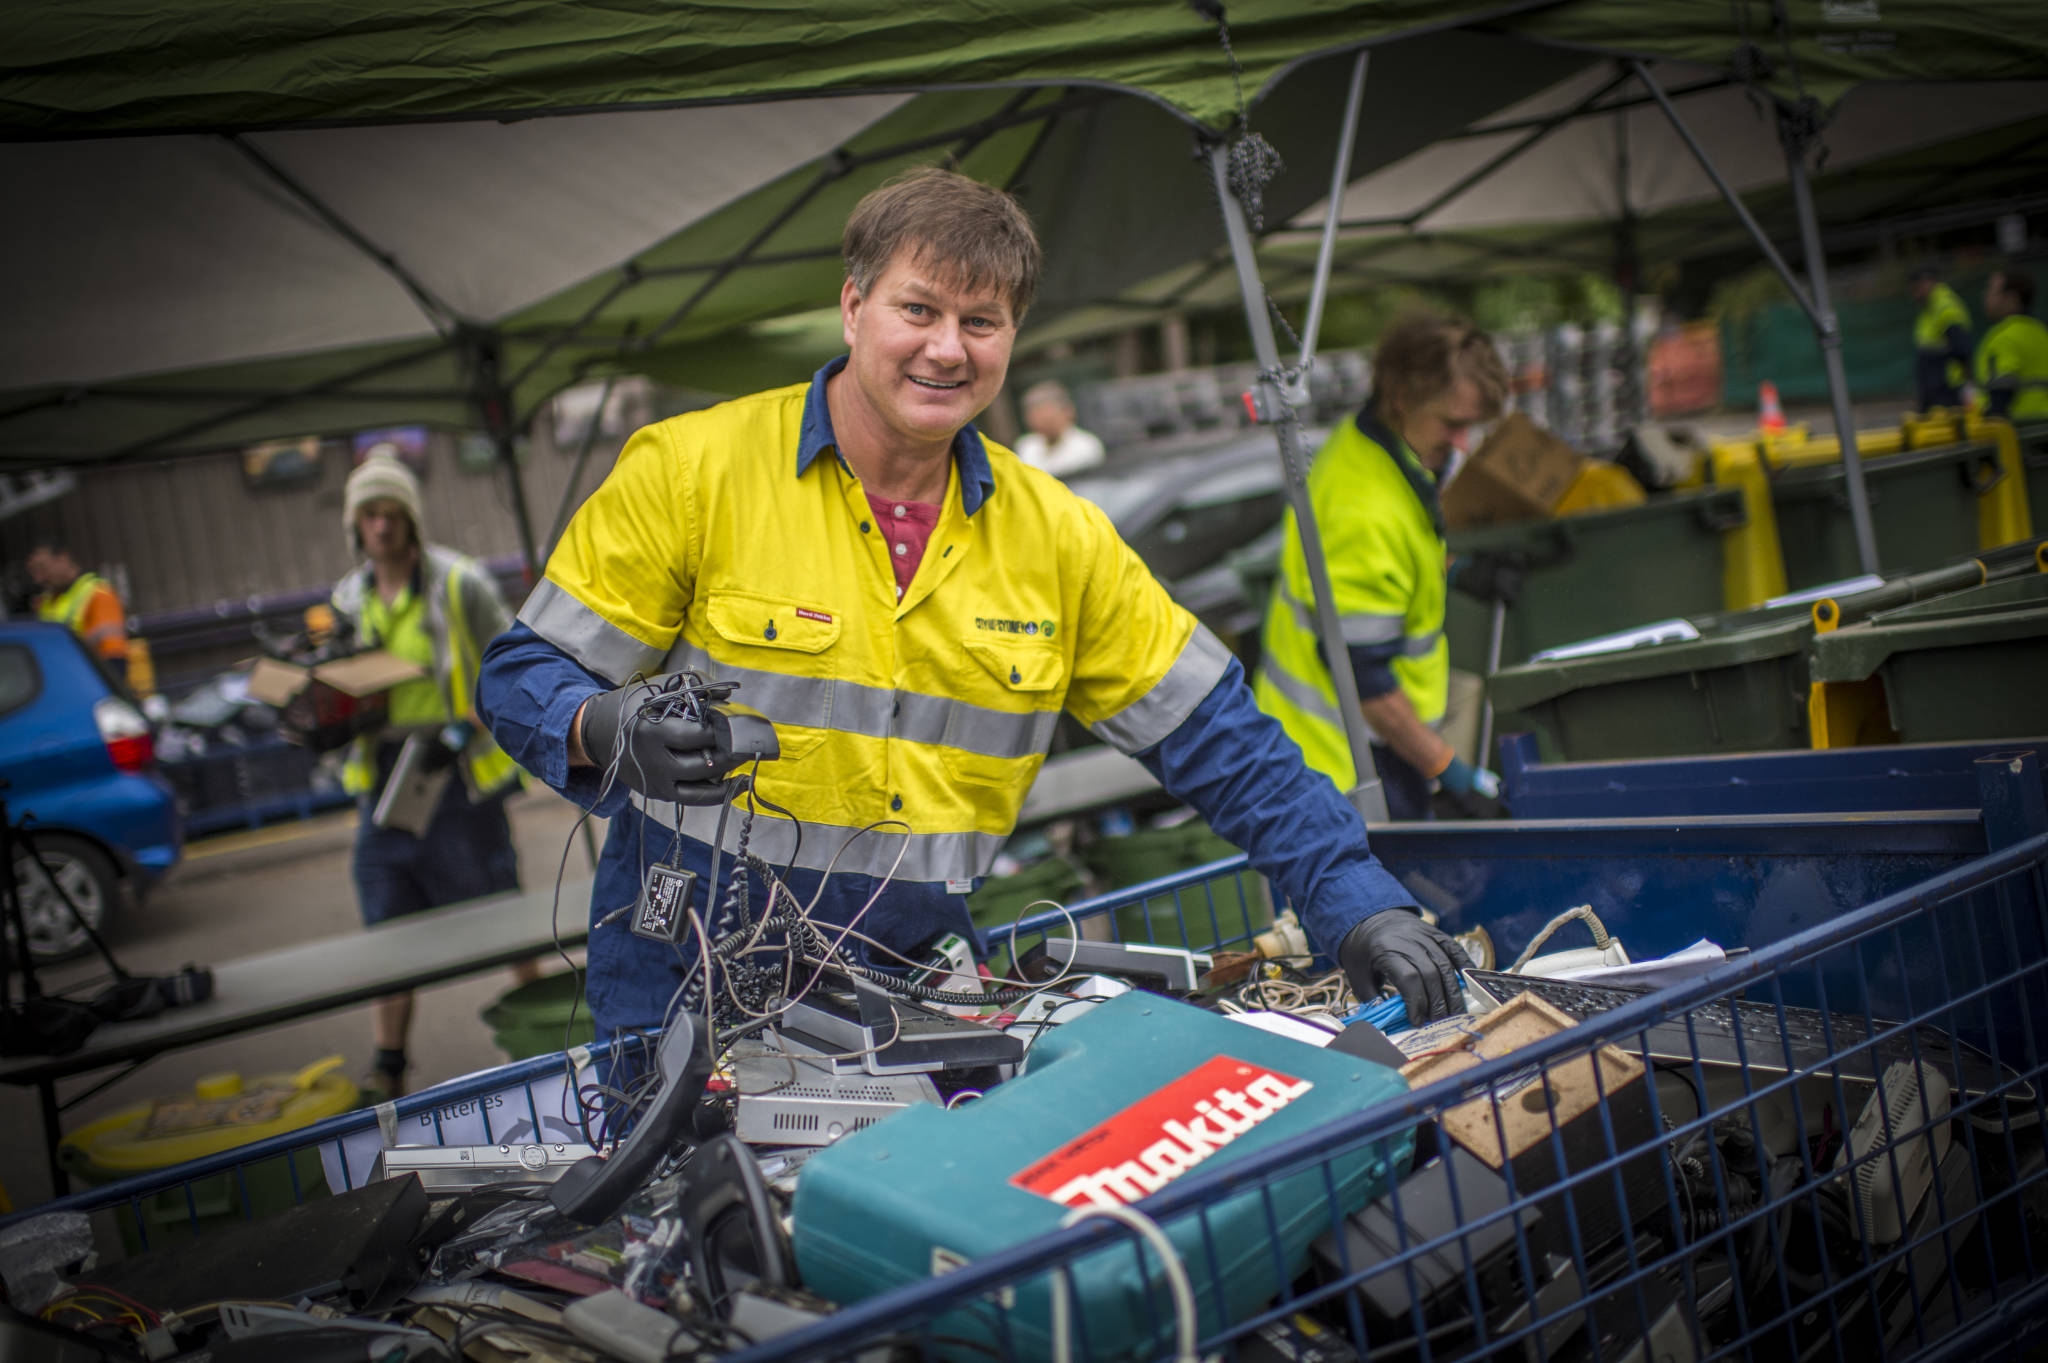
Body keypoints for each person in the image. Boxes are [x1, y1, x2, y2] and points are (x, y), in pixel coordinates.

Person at [475, 167, 1467, 1039]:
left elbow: (1224, 740)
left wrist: (1355, 900)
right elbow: (522, 674)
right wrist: (602, 725)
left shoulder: (1059, 539)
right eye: (918, 310)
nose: (947, 349)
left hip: (913, 996)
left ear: (1011, 337)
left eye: (980, 322)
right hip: (685, 990)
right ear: (853, 306)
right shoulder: (693, 471)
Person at [1253, 314, 1519, 821]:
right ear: (1400, 398)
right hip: (1345, 769)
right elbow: (1367, 681)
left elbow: (1394, 557)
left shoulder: (1383, 448)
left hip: (1365, 752)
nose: (1463, 443)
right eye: (1452, 424)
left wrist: (1455, 570)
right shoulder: (1362, 509)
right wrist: (1449, 770)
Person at [333, 453, 526, 1099]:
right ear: (354, 524)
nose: (381, 526)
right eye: (369, 514)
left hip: (456, 772)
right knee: (388, 925)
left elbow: (516, 661)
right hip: (385, 777)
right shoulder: (347, 598)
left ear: (411, 518)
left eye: (391, 513)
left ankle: (556, 1035)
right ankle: (388, 1067)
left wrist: (468, 724)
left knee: (507, 917)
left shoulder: (459, 584)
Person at [28, 542, 129, 685]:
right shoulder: (45, 603)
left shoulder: (98, 594)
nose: (38, 579)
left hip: (90, 686)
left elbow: (115, 662)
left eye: (42, 568)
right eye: (34, 572)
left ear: (62, 558)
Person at [1974, 268, 2048, 422]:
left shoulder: (2004, 337)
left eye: (1992, 290)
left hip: (2019, 429)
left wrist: (1992, 422)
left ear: (2011, 298)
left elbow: (2001, 391)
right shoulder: (2041, 332)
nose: (1985, 295)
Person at [1910, 266, 1973, 413]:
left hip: (1947, 388)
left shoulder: (1945, 305)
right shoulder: (1929, 308)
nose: (1914, 294)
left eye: (1916, 288)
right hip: (1935, 388)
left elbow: (1962, 348)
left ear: (1927, 282)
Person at [1012, 380, 1106, 478]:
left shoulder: (1086, 445)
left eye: (1049, 418)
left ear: (1068, 412)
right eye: (1036, 416)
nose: (1044, 423)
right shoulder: (1026, 447)